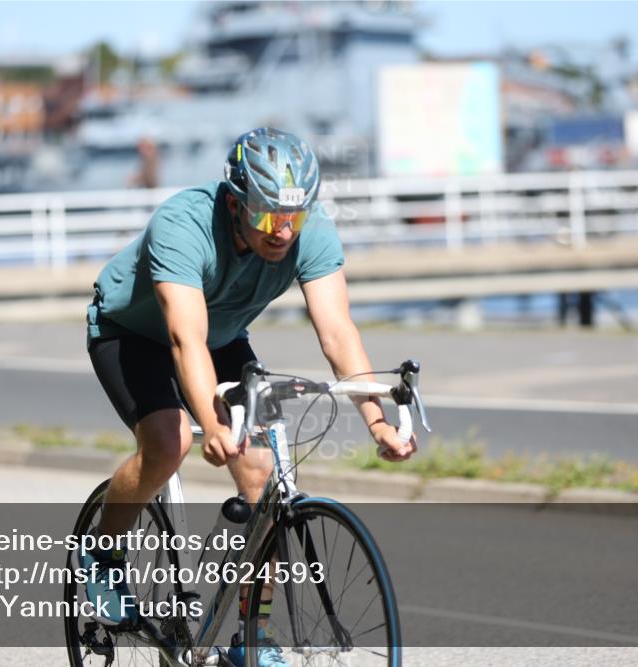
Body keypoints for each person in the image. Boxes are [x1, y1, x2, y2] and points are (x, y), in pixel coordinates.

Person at [81, 127, 416, 666]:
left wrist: (377, 422)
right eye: (267, 216)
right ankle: (102, 554)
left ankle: (251, 636)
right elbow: (184, 340)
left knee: (262, 476)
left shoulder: (309, 230)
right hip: (133, 333)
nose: (282, 231)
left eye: (294, 217)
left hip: (220, 336)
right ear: (236, 203)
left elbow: (337, 332)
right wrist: (213, 424)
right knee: (169, 442)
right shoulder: (183, 224)